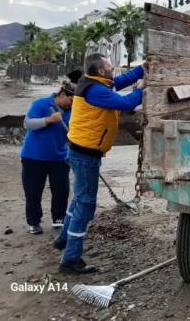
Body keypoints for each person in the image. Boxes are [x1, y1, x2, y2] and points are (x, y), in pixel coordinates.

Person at [54, 53, 145, 274]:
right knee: (85, 205)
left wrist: (143, 68)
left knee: (79, 198)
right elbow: (127, 103)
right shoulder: (94, 91)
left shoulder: (96, 83)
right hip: (85, 155)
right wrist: (142, 88)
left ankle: (63, 240)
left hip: (80, 151)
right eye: (110, 66)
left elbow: (120, 82)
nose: (113, 69)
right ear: (102, 71)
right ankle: (71, 259)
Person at [20, 83, 75, 234]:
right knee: (33, 191)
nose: (72, 104)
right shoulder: (41, 104)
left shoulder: (73, 111)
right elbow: (28, 124)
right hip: (34, 156)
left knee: (61, 190)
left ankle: (59, 219)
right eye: (71, 100)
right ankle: (34, 222)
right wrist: (48, 120)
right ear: (62, 94)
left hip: (60, 157)